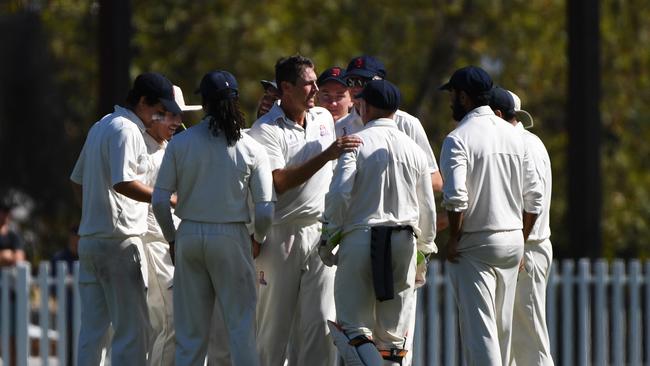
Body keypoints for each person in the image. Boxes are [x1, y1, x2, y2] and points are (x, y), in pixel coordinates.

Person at [152, 70, 274, 365]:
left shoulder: (181, 143)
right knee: (241, 329)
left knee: (190, 335)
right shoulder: (251, 147)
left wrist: (172, 238)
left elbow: (159, 201)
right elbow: (265, 208)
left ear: (203, 103)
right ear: (236, 102)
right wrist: (258, 237)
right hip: (231, 237)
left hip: (190, 234)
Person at [247, 55, 362, 366]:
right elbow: (278, 181)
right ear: (286, 87)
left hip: (321, 232)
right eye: (309, 83)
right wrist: (326, 156)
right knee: (273, 332)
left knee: (321, 326)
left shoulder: (323, 118)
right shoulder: (266, 129)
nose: (316, 89)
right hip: (281, 235)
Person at [322, 79, 437, 365]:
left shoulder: (356, 142)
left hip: (361, 237)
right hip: (404, 240)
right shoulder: (414, 150)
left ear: (364, 106)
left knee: (352, 329)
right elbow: (428, 209)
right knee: (393, 338)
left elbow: (338, 194)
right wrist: (424, 254)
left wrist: (328, 237)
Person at [70, 72, 181, 365]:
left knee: (93, 334)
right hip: (120, 243)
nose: (161, 117)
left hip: (92, 241)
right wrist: (166, 198)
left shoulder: (101, 125)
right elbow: (123, 182)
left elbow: (77, 181)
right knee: (133, 333)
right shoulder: (128, 130)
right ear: (142, 101)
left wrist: (95, 216)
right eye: (159, 110)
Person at [438, 66, 543, 366]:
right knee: (503, 331)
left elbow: (456, 197)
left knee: (481, 334)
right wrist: (521, 240)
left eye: (453, 95)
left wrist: (454, 238)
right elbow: (533, 197)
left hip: (476, 243)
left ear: (464, 97)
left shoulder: (457, 138)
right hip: (512, 241)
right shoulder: (514, 136)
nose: (451, 102)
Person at [489, 88, 554, 366]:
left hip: (528, 247)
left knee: (530, 336)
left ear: (498, 114)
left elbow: (533, 201)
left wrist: (520, 244)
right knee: (514, 334)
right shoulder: (531, 141)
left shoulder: (521, 145)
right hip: (525, 246)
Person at [141, 85, 193, 366]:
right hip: (154, 243)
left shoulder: (172, 147)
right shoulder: (141, 146)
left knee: (181, 324)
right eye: (169, 115)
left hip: (175, 243)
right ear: (154, 114)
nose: (177, 123)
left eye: (178, 115)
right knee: (172, 322)